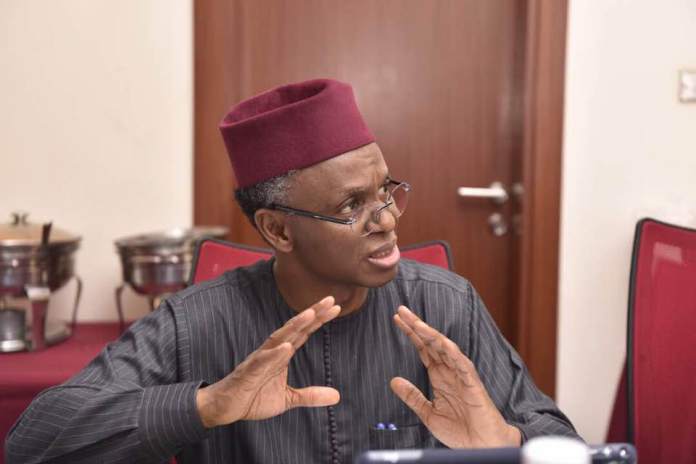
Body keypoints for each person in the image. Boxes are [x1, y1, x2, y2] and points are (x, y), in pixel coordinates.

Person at [5, 78, 578, 464]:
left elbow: (564, 444)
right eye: (351, 206)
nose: (386, 220)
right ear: (278, 230)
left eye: (385, 191)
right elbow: (33, 442)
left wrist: (504, 442)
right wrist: (206, 405)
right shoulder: (197, 323)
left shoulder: (445, 306)